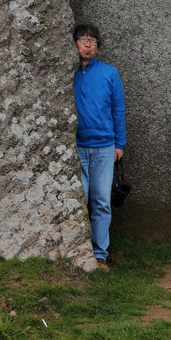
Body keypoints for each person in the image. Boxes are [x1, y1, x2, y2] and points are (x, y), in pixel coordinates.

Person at [72, 23, 126, 269]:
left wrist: (119, 143)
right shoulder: (66, 73)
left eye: (92, 40)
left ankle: (100, 254)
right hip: (76, 147)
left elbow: (118, 109)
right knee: (78, 199)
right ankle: (77, 251)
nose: (87, 43)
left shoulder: (109, 73)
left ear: (97, 46)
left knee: (101, 201)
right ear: (75, 44)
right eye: (83, 39)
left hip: (105, 147)